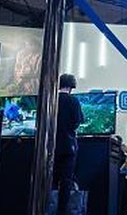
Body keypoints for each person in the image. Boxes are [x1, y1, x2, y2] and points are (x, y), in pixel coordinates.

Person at [54, 73, 84, 215]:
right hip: (68, 146)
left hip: (50, 145)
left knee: (50, 179)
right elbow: (77, 121)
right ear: (72, 86)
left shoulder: (51, 99)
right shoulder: (73, 101)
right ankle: (62, 211)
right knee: (66, 181)